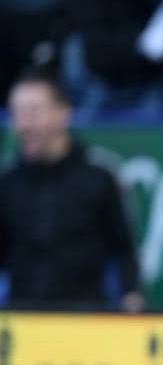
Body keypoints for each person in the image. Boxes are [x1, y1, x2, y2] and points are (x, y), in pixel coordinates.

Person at [0, 69, 143, 311]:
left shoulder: (99, 175)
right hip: (21, 319)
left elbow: (124, 249)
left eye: (33, 112)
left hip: (85, 318)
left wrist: (132, 295)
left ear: (63, 113)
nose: (23, 124)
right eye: (17, 113)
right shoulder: (7, 182)